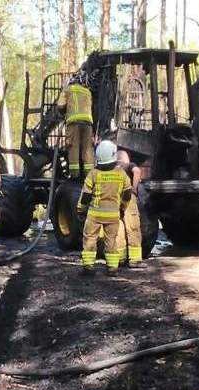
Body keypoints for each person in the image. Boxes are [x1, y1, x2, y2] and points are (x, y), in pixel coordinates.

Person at [76, 140, 130, 275]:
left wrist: (81, 210)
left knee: (90, 239)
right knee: (111, 241)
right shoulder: (121, 174)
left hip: (94, 214)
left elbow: (86, 196)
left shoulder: (93, 174)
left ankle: (88, 267)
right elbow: (128, 194)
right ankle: (112, 268)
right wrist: (123, 208)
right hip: (113, 215)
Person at [58, 73, 94, 178]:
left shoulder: (67, 90)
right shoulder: (87, 92)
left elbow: (60, 106)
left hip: (74, 123)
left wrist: (63, 113)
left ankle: (75, 175)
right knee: (87, 150)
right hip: (88, 123)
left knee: (73, 148)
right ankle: (88, 175)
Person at [116, 150, 143, 269]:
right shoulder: (128, 165)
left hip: (114, 197)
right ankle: (135, 260)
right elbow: (137, 171)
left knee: (118, 226)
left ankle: (120, 258)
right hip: (128, 196)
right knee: (133, 226)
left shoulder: (110, 168)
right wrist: (134, 189)